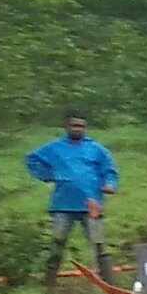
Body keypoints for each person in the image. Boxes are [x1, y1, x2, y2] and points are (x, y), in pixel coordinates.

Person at [25, 115, 122, 282]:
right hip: (63, 204)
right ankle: (49, 282)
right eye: (74, 125)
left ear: (85, 128)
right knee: (57, 243)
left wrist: (110, 184)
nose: (77, 129)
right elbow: (32, 160)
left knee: (99, 245)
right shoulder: (55, 148)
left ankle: (109, 283)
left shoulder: (96, 149)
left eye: (81, 126)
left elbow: (109, 169)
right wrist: (47, 175)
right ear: (66, 127)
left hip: (91, 204)